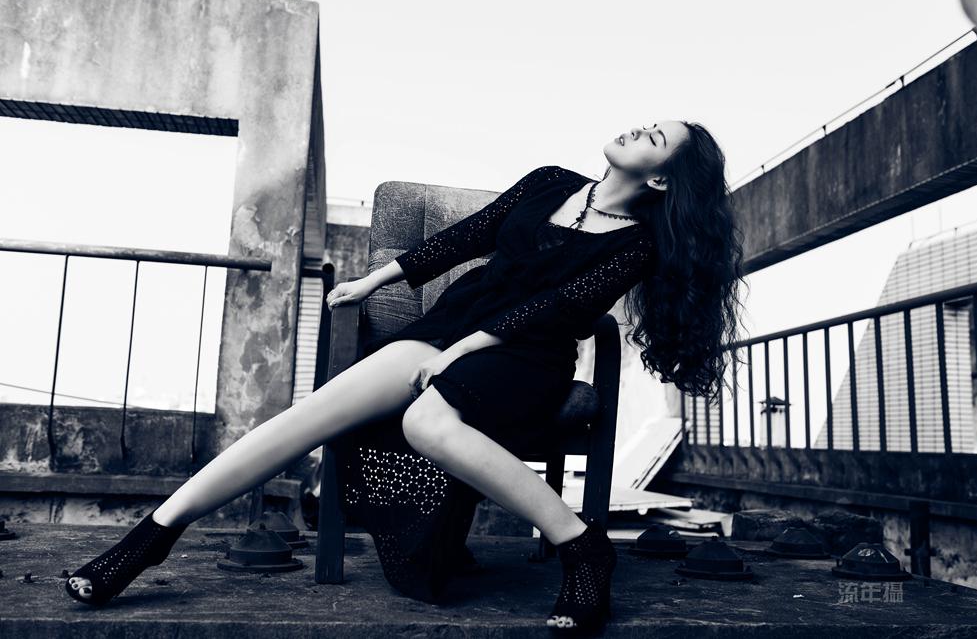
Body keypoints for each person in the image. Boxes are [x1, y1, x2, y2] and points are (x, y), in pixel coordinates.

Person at [64, 120, 746, 634]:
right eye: (645, 121)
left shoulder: (637, 243)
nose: (636, 128)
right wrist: (373, 281)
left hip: (526, 356)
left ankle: (582, 545)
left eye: (654, 137)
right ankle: (149, 538)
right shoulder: (549, 181)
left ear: (662, 180)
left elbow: (559, 308)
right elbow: (468, 237)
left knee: (426, 421)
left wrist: (463, 351)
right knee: (310, 416)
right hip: (449, 324)